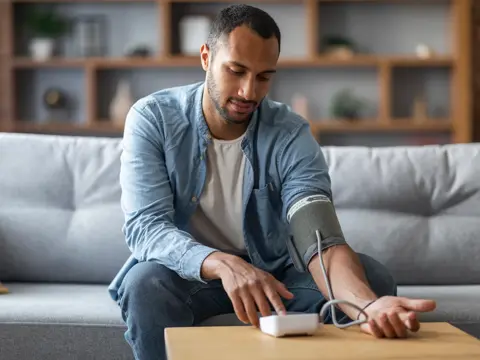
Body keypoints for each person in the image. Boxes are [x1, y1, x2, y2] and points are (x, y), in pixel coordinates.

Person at [108, 4, 437, 359]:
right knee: (144, 284)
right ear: (206, 57)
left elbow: (319, 238)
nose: (249, 92)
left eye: (264, 77)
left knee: (373, 281)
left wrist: (365, 305)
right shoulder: (152, 118)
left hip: (273, 276)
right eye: (236, 71)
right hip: (189, 276)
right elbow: (146, 227)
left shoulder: (290, 133)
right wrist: (224, 264)